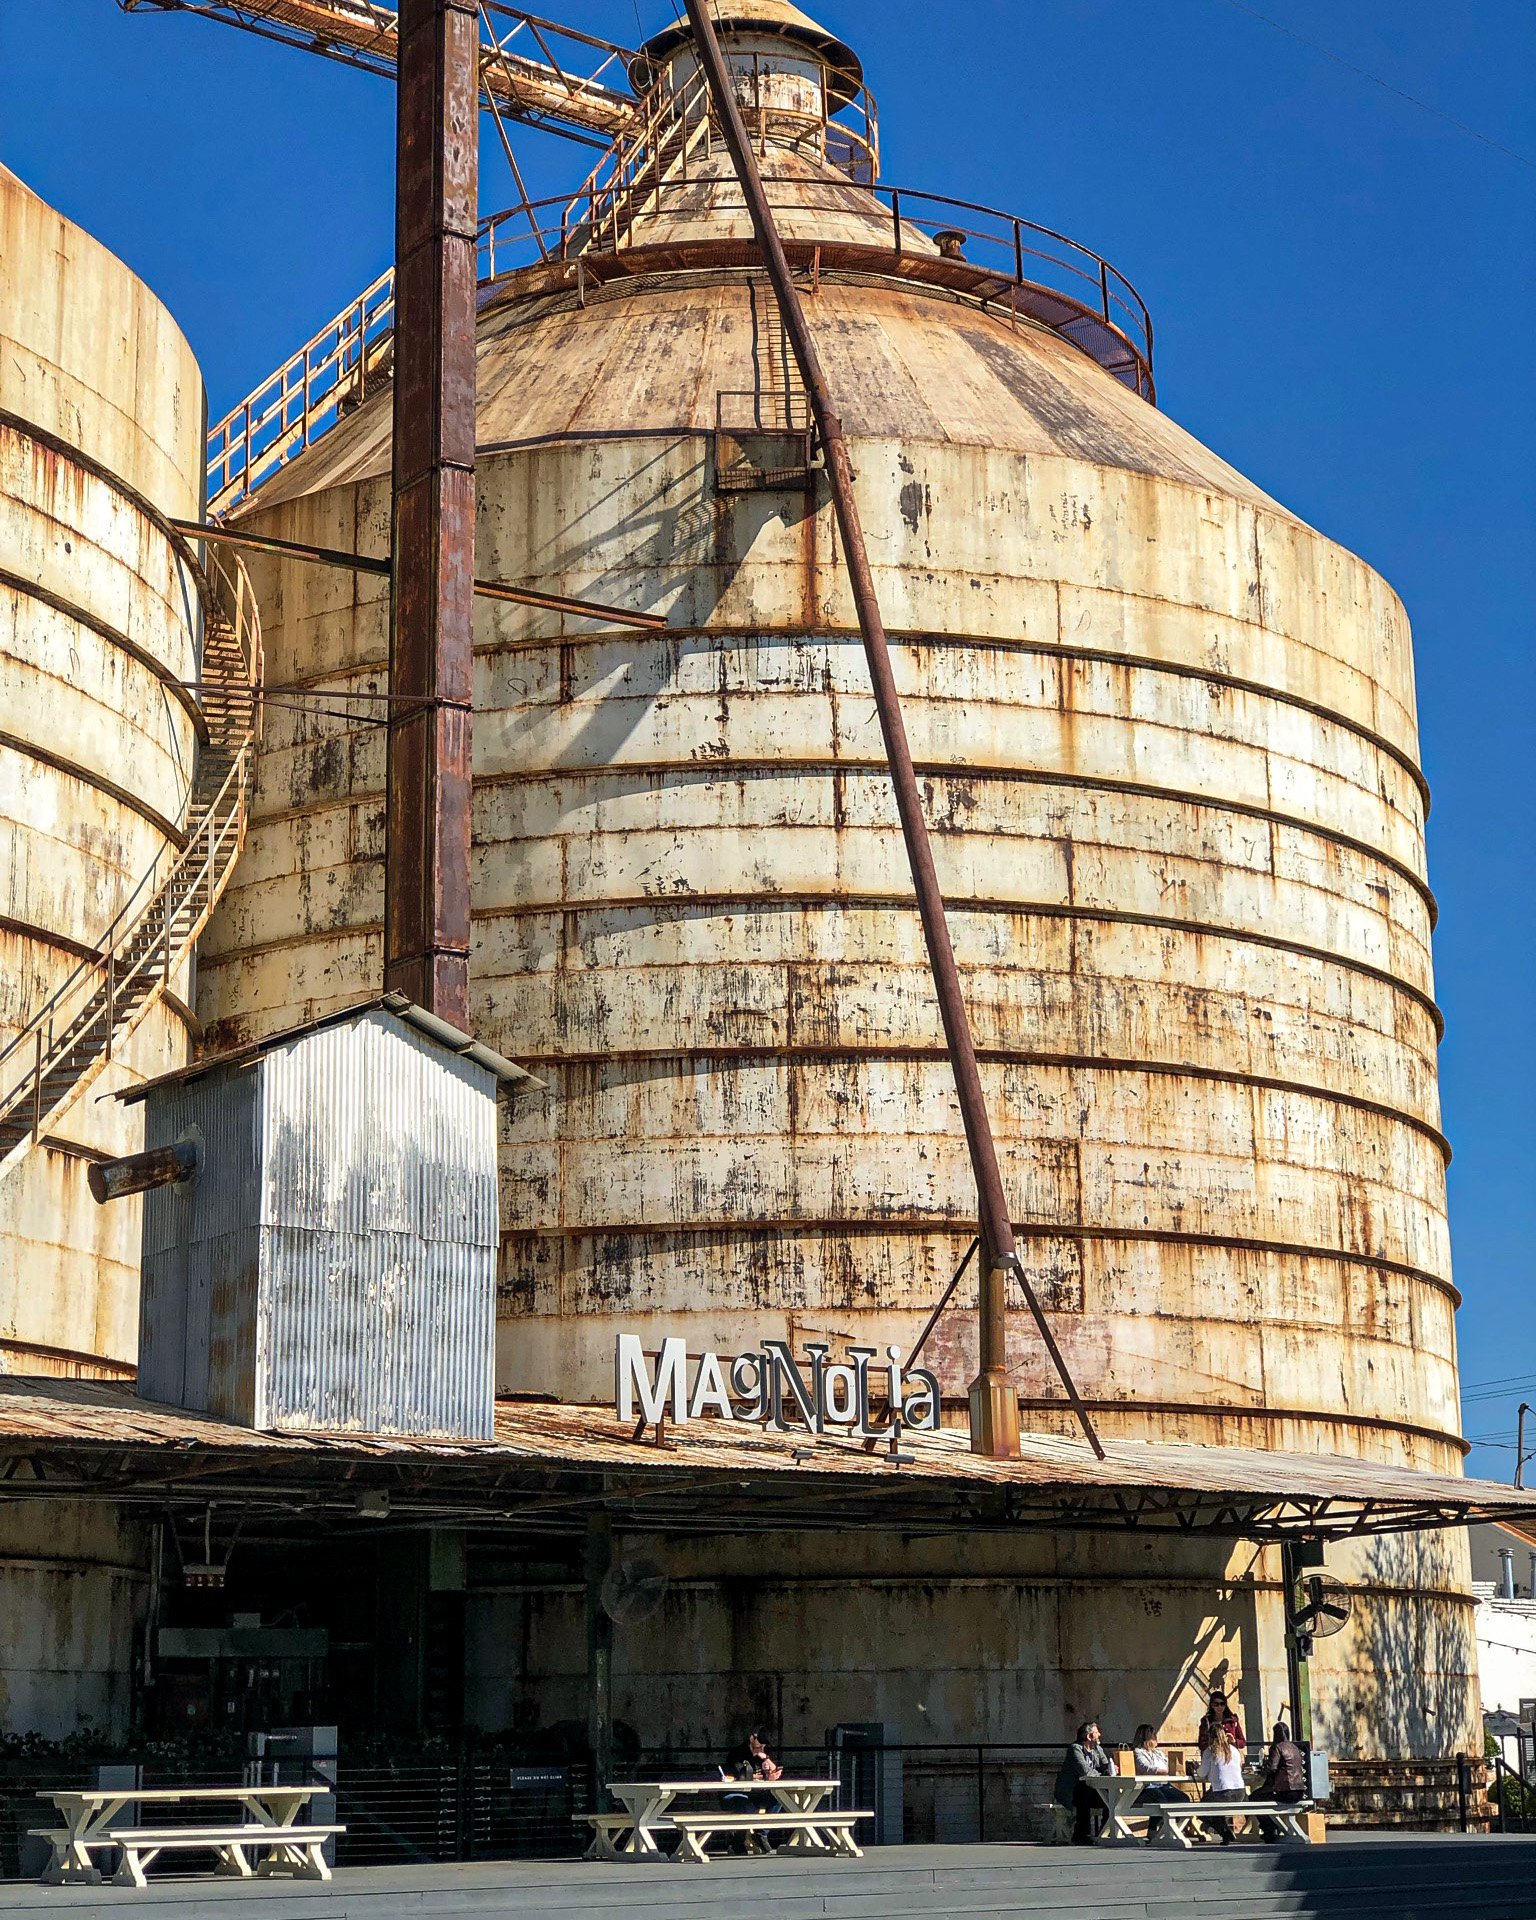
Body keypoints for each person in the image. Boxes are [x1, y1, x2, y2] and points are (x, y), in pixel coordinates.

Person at [1054, 1719, 1114, 1845]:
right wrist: (1103, 1774)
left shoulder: (1097, 1748)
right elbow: (1085, 1772)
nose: (1099, 1735)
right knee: (1085, 1790)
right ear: (1089, 1736)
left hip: (1092, 1791)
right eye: (1097, 1732)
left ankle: (1105, 1833)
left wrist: (1110, 1769)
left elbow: (1105, 1766)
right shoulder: (1075, 1749)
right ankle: (1081, 1834)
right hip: (1071, 1792)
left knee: (1112, 1797)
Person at [1255, 1720, 1308, 1842]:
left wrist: (1261, 1771)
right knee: (1261, 1796)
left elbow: (1272, 1768)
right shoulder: (1295, 1748)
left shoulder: (1277, 1747)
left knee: (1255, 1797)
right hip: (1299, 1791)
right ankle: (1273, 1827)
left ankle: (1269, 1828)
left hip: (1285, 1791)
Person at [1131, 1722, 1184, 1842]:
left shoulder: (1158, 1752)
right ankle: (1153, 1829)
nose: (1155, 1737)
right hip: (1146, 1787)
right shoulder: (1138, 1752)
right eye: (1153, 1735)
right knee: (1161, 1801)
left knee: (1183, 1799)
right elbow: (1145, 1768)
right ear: (1146, 1738)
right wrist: (1165, 1771)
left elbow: (1168, 1763)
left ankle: (1169, 1829)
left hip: (1163, 1784)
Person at [1197, 1726, 1247, 1845]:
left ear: (1210, 1737)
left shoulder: (1210, 1751)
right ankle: (1226, 1832)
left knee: (1201, 1810)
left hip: (1223, 1793)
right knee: (1214, 1806)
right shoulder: (1234, 1750)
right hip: (1240, 1792)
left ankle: (1225, 1833)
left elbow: (1202, 1773)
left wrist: (1196, 1768)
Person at [1197, 1690, 1247, 1755]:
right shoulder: (1206, 1721)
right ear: (1212, 1705)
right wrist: (1213, 1741)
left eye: (1222, 1704)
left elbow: (1242, 1742)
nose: (1219, 1707)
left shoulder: (1232, 1720)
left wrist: (1233, 1741)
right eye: (1216, 1704)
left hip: (1230, 1755)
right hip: (1213, 1756)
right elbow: (1201, 1743)